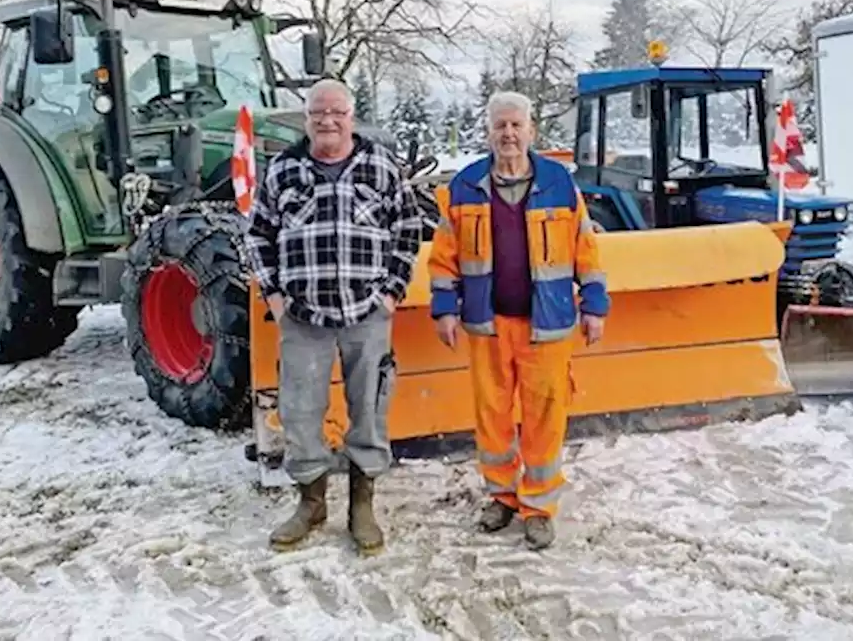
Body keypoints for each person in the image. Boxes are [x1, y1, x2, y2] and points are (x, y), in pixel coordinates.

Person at [244, 78, 422, 555]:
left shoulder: (381, 166)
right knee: (301, 413)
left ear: (351, 117)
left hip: (367, 313)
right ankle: (311, 503)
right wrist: (275, 296)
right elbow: (257, 233)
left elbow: (407, 228)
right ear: (306, 119)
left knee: (369, 408)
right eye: (318, 112)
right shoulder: (282, 169)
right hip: (301, 316)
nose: (327, 120)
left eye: (336, 112)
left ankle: (362, 506)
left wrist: (391, 292)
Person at [427, 90, 608, 550]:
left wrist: (595, 303)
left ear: (532, 131)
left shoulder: (560, 185)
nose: (508, 134)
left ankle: (539, 505)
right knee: (492, 415)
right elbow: (445, 257)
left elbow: (585, 248)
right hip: (487, 324)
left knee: (546, 414)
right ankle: (502, 496)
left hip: (547, 325)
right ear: (488, 132)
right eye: (499, 126)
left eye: (516, 125)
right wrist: (445, 308)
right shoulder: (464, 187)